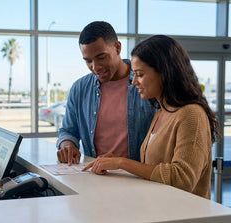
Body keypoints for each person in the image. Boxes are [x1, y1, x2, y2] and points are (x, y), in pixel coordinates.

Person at [82, 35, 220, 199]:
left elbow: (183, 178)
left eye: (139, 74)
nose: (134, 82)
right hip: (159, 210)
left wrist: (122, 163)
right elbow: (153, 169)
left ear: (164, 72)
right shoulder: (161, 112)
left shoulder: (191, 114)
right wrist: (117, 161)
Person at [57, 21, 155, 165]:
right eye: (88, 61)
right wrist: (67, 145)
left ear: (117, 47)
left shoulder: (147, 83)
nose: (95, 67)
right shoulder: (79, 88)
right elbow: (68, 130)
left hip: (139, 178)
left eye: (101, 57)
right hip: (96, 177)